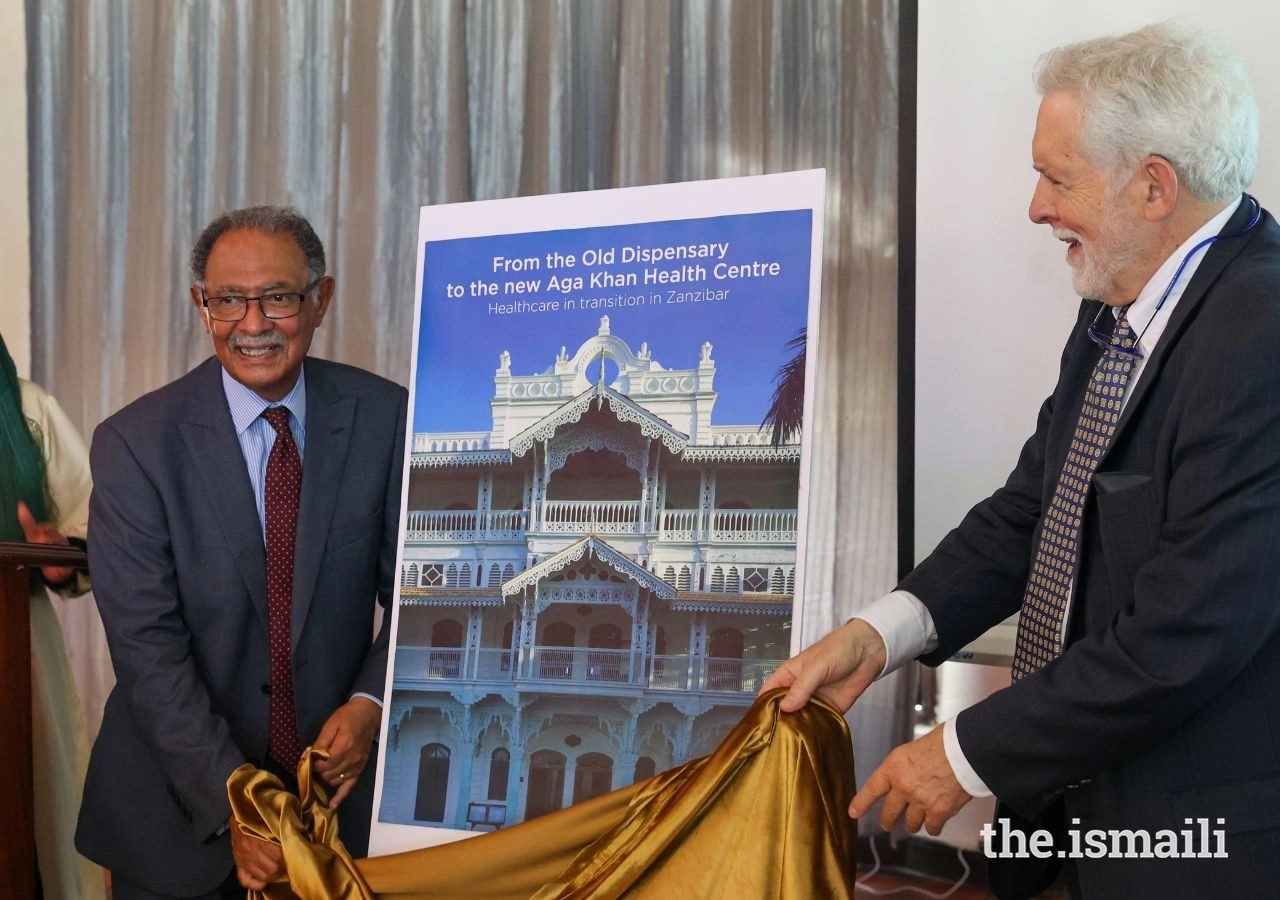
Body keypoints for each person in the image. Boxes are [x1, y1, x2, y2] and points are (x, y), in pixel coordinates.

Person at [764, 22, 1280, 899]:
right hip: (1072, 829)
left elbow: (1182, 639)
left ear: (1153, 185)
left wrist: (961, 754)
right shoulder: (1119, 303)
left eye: (1056, 177)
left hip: (1194, 853)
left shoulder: (1262, 333)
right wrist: (876, 637)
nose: (1036, 207)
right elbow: (1035, 509)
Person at [75, 206, 407, 898]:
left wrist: (373, 699)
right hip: (177, 815)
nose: (252, 324)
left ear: (322, 299)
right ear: (202, 306)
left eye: (278, 297)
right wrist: (239, 809)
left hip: (340, 813)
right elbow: (147, 651)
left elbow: (418, 590)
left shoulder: (386, 418)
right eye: (229, 299)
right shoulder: (136, 445)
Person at [1, 332, 106, 899]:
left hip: (15, 646)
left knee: (29, 826)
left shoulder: (25, 409)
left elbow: (91, 521)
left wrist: (56, 551)